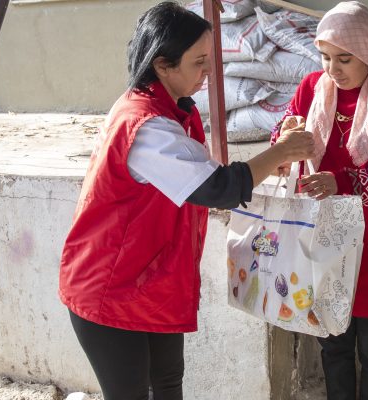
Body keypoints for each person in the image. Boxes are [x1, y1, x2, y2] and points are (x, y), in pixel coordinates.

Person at [57, 3, 314, 400]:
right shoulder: (146, 127)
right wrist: (278, 153)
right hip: (111, 287)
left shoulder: (174, 111)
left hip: (150, 281)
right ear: (163, 65)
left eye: (209, 60)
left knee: (168, 382)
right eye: (198, 63)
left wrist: (267, 165)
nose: (208, 72)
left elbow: (205, 175)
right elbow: (218, 188)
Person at [270, 2, 368, 399]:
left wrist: (341, 180)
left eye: (344, 59)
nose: (332, 69)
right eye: (324, 57)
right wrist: (284, 141)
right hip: (322, 242)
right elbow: (280, 152)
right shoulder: (310, 91)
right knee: (333, 345)